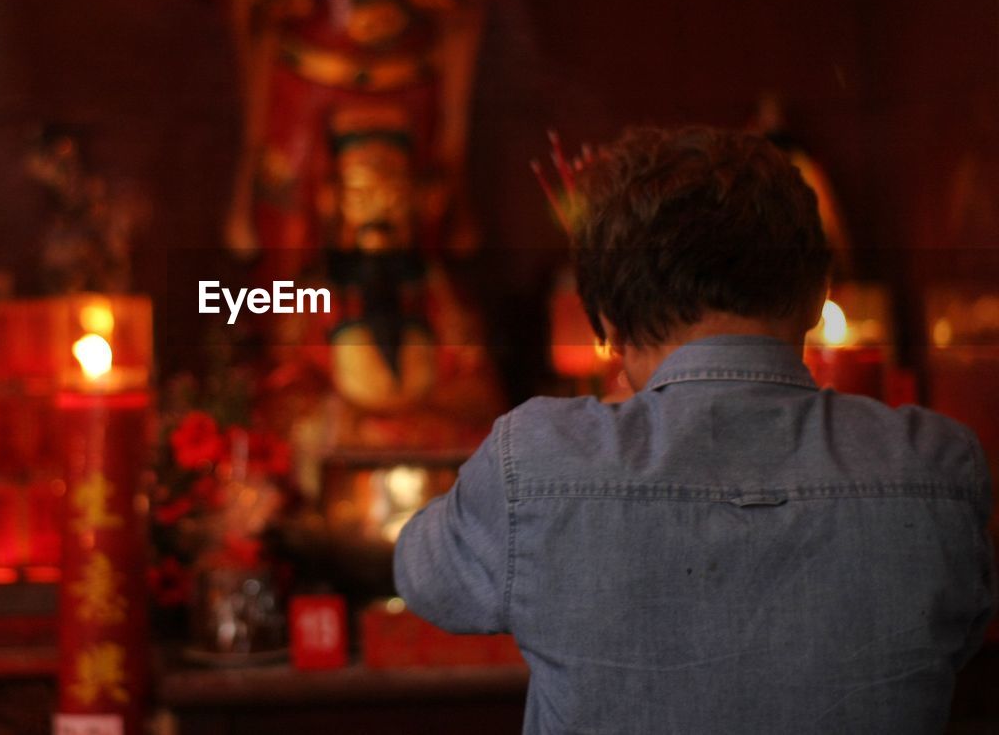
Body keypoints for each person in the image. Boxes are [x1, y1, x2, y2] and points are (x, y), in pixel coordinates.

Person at [394, 126, 994, 734]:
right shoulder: (938, 467)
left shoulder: (539, 461)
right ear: (818, 297)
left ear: (608, 325)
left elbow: (422, 578)